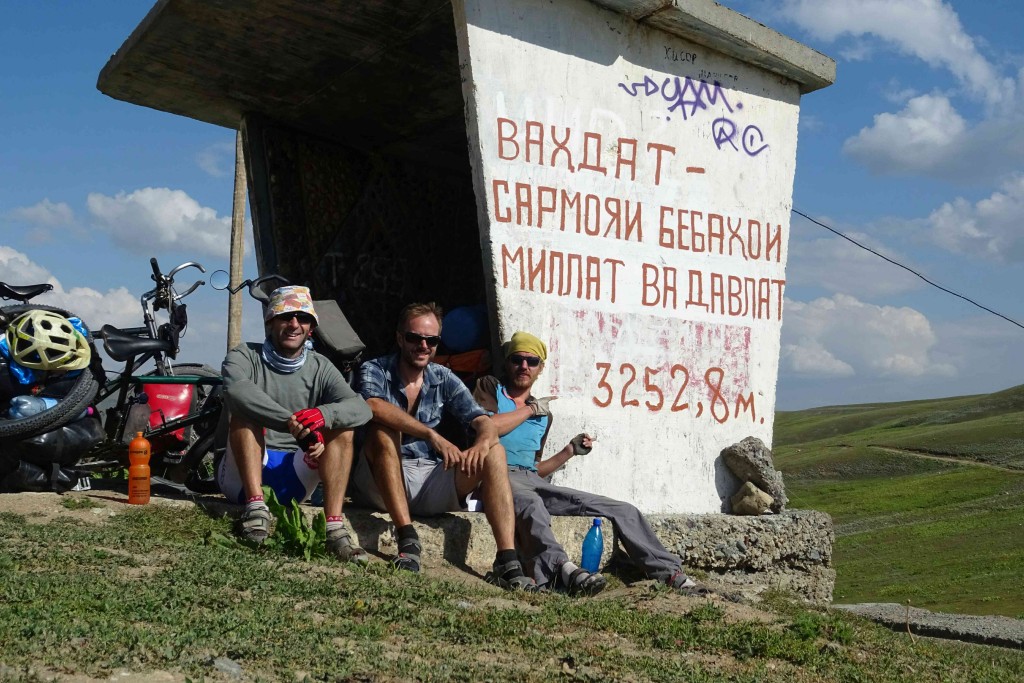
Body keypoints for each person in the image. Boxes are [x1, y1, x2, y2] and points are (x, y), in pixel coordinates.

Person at [473, 331, 706, 596]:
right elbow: (487, 428)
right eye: (517, 359)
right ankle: (561, 570)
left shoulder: (543, 416)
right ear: (507, 362)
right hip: (497, 477)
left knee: (623, 509)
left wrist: (569, 451)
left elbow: (534, 469)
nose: (524, 366)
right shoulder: (491, 387)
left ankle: (670, 573)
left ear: (541, 368)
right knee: (532, 505)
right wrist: (530, 410)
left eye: (532, 361)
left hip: (530, 480)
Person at [353, 302, 537, 591]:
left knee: (495, 450)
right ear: (400, 338)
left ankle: (507, 559)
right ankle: (407, 539)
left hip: (428, 478)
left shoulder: (443, 376)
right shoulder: (375, 368)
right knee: (382, 431)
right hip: (381, 480)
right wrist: (431, 435)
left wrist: (481, 442)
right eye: (414, 338)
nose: (423, 346)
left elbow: (482, 419)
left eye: (432, 340)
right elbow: (373, 406)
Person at [220, 285, 373, 563]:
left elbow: (360, 408)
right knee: (244, 411)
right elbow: (236, 390)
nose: (294, 324)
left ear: (311, 327)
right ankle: (255, 510)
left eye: (302, 318)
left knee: (343, 427)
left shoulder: (321, 366)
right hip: (241, 480)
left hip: (298, 477)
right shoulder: (245, 355)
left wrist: (324, 415)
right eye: (285, 316)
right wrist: (290, 423)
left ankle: (334, 529)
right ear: (270, 322)